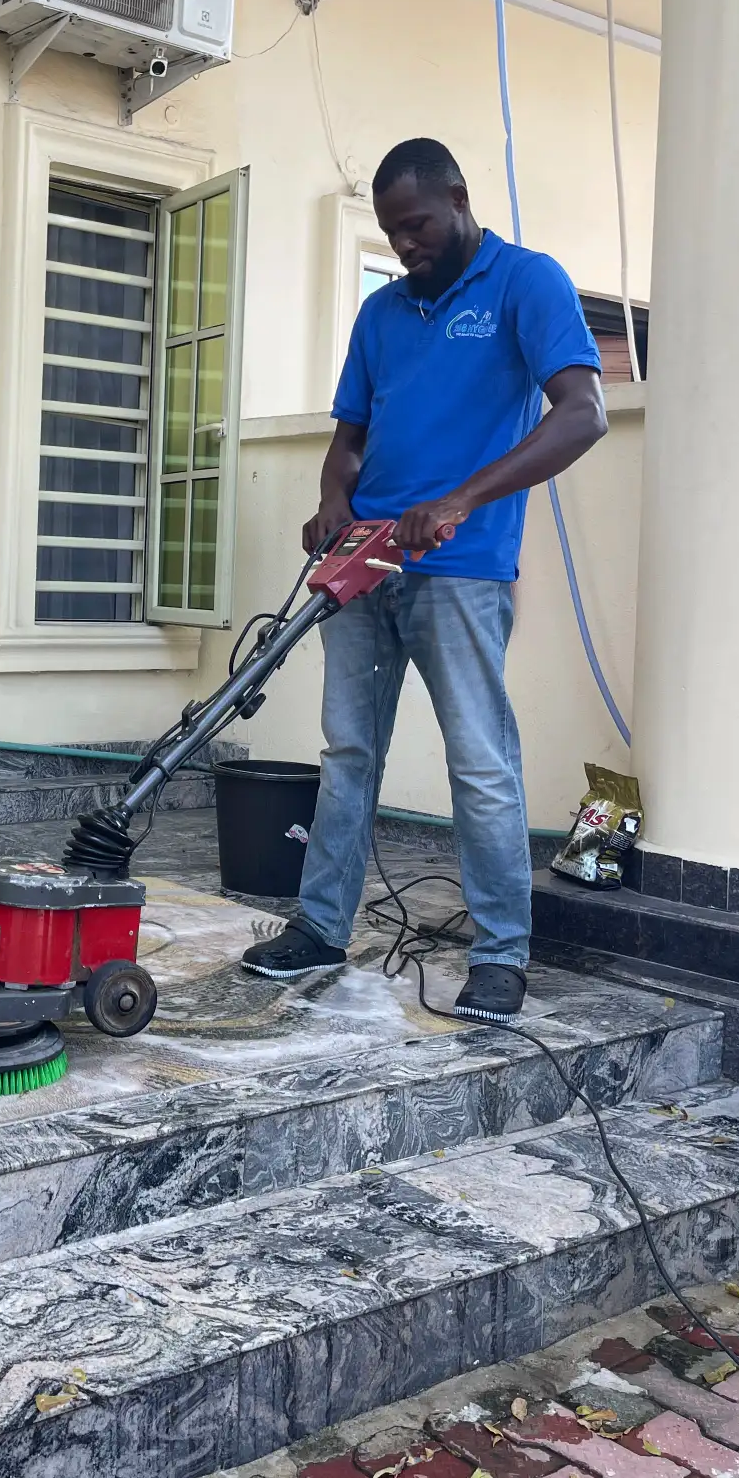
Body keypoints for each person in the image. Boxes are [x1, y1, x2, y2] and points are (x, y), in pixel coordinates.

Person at [240, 138, 608, 1020]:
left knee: (479, 761)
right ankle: (319, 926)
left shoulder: (526, 282)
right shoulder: (382, 314)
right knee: (348, 752)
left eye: (417, 226)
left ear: (459, 197)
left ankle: (501, 956)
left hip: (460, 571)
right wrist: (332, 502)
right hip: (362, 566)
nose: (405, 246)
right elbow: (350, 439)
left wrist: (459, 501)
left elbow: (584, 414)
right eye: (392, 233)